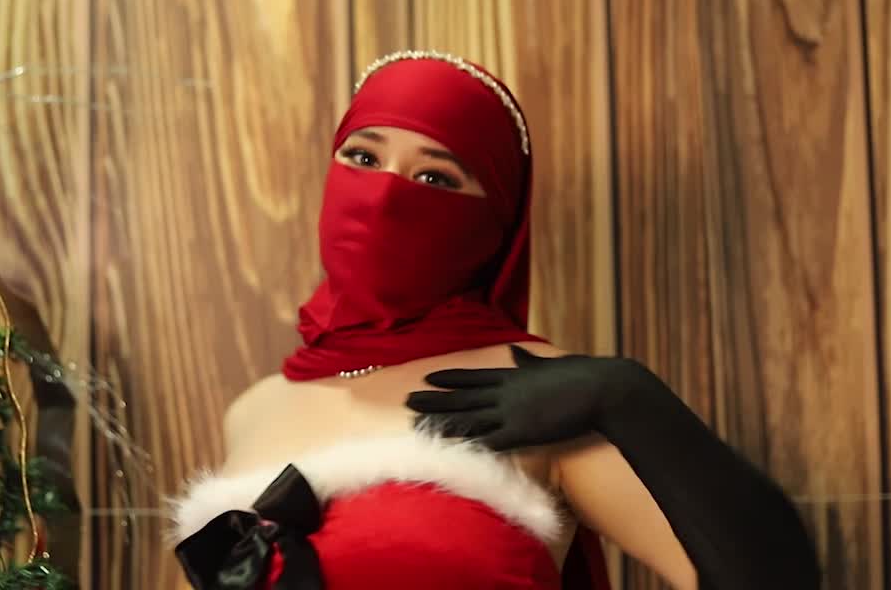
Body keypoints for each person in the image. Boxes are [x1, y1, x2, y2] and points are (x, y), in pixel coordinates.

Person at [168, 51, 820, 590]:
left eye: (436, 178)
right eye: (363, 157)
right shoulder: (255, 408)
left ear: (493, 225)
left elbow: (769, 577)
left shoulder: (539, 394)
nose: (386, 193)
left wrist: (627, 395)